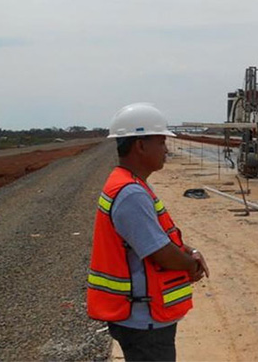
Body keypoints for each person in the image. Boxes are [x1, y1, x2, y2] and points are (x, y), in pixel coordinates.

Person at [87, 103, 210, 362]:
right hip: (144, 320)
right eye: (161, 141)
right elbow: (160, 252)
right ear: (140, 146)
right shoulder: (131, 193)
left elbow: (159, 236)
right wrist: (191, 266)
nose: (166, 149)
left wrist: (191, 251)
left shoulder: (131, 184)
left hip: (144, 317)